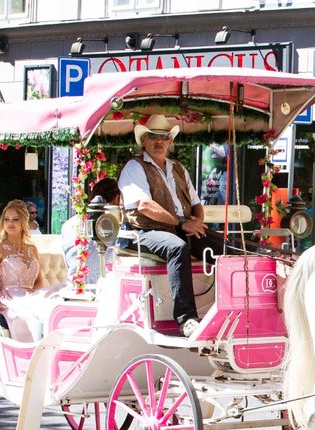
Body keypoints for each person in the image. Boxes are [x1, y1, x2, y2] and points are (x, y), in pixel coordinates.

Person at [118, 114, 221, 336]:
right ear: (143, 141)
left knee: (225, 247)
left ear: (170, 141)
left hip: (181, 227)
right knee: (177, 247)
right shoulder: (134, 167)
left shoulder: (178, 168)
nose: (159, 142)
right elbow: (144, 205)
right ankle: (186, 319)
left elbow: (196, 203)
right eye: (153, 137)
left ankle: (226, 310)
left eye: (164, 137)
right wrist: (181, 223)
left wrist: (198, 222)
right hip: (147, 231)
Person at [0, 200, 61, 342]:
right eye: (6, 219)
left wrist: (35, 297)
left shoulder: (31, 249)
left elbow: (39, 281)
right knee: (25, 315)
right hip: (7, 297)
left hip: (30, 295)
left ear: (23, 222)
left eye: (15, 219)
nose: (10, 223)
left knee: (54, 299)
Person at [61, 177, 119, 286]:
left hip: (73, 286)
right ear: (115, 200)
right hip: (100, 290)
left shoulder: (68, 224)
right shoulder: (111, 226)